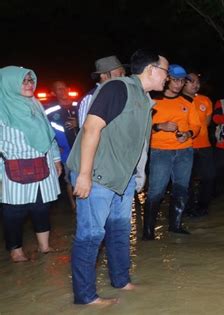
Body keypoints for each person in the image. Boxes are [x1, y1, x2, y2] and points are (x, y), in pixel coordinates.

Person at [67, 49, 169, 305]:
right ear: (151, 70)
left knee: (120, 231)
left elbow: (137, 144)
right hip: (98, 174)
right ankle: (86, 297)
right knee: (90, 235)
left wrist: (138, 176)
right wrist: (84, 175)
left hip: (122, 179)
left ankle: (121, 280)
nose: (167, 78)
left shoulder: (144, 99)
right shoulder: (117, 89)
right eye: (166, 71)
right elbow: (91, 128)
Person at [0, 66, 62, 262]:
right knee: (14, 211)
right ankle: (16, 250)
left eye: (30, 80)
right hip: (12, 167)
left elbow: (48, 134)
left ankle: (44, 246)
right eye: (23, 81)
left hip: (42, 164)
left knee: (41, 206)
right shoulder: (2, 108)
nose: (29, 85)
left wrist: (56, 159)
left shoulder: (35, 104)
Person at [142, 64, 201, 239]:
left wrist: (188, 134)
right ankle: (148, 232)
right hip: (160, 151)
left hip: (184, 151)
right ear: (167, 79)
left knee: (181, 188)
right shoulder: (153, 101)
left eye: (182, 80)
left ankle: (175, 226)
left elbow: (196, 125)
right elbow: (141, 126)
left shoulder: (188, 102)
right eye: (175, 79)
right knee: (156, 191)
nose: (178, 84)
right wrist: (160, 126)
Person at [182, 71, 215, 217]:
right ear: (183, 82)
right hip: (184, 147)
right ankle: (188, 208)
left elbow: (206, 123)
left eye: (198, 82)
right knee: (186, 179)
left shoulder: (205, 100)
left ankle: (203, 206)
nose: (196, 84)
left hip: (204, 146)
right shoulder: (175, 100)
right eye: (192, 81)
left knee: (209, 177)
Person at [44, 80, 79, 209]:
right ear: (53, 92)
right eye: (58, 89)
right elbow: (44, 130)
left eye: (64, 88)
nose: (63, 91)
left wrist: (79, 122)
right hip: (66, 152)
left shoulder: (80, 104)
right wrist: (52, 146)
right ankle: (74, 207)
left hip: (85, 149)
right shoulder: (49, 111)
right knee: (70, 179)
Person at [78, 55, 126, 128]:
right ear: (104, 76)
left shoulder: (122, 95)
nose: (124, 78)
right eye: (120, 74)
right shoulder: (91, 98)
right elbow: (85, 131)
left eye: (124, 74)